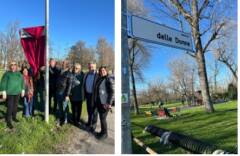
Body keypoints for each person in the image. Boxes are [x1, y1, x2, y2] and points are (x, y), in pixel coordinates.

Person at [0, 61, 25, 129]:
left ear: (16, 66)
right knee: (10, 107)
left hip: (17, 93)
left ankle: (14, 117)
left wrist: (23, 89)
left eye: (14, 64)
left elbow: (22, 82)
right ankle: (8, 121)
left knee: (15, 106)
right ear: (10, 66)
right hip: (10, 93)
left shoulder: (19, 74)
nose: (13, 66)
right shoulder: (7, 74)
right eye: (12, 65)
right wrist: (3, 91)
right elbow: (3, 82)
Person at [93, 66, 114, 139]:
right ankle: (102, 132)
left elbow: (112, 92)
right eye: (101, 71)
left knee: (103, 118)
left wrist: (108, 103)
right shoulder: (100, 79)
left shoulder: (108, 79)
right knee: (101, 118)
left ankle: (105, 134)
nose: (102, 72)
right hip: (99, 102)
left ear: (106, 71)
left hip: (105, 103)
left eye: (104, 70)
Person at [83, 62, 99, 131]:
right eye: (89, 67)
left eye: (92, 67)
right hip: (88, 95)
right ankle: (89, 122)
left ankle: (93, 125)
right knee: (89, 110)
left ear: (95, 67)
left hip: (94, 96)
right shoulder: (86, 74)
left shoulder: (98, 75)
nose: (90, 68)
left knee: (94, 111)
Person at [56, 61, 72, 126]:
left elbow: (69, 85)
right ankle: (61, 117)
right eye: (63, 63)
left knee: (65, 107)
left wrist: (67, 95)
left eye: (65, 64)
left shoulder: (68, 73)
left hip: (64, 92)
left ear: (67, 65)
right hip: (58, 91)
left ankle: (65, 119)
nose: (63, 64)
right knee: (59, 107)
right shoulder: (60, 71)